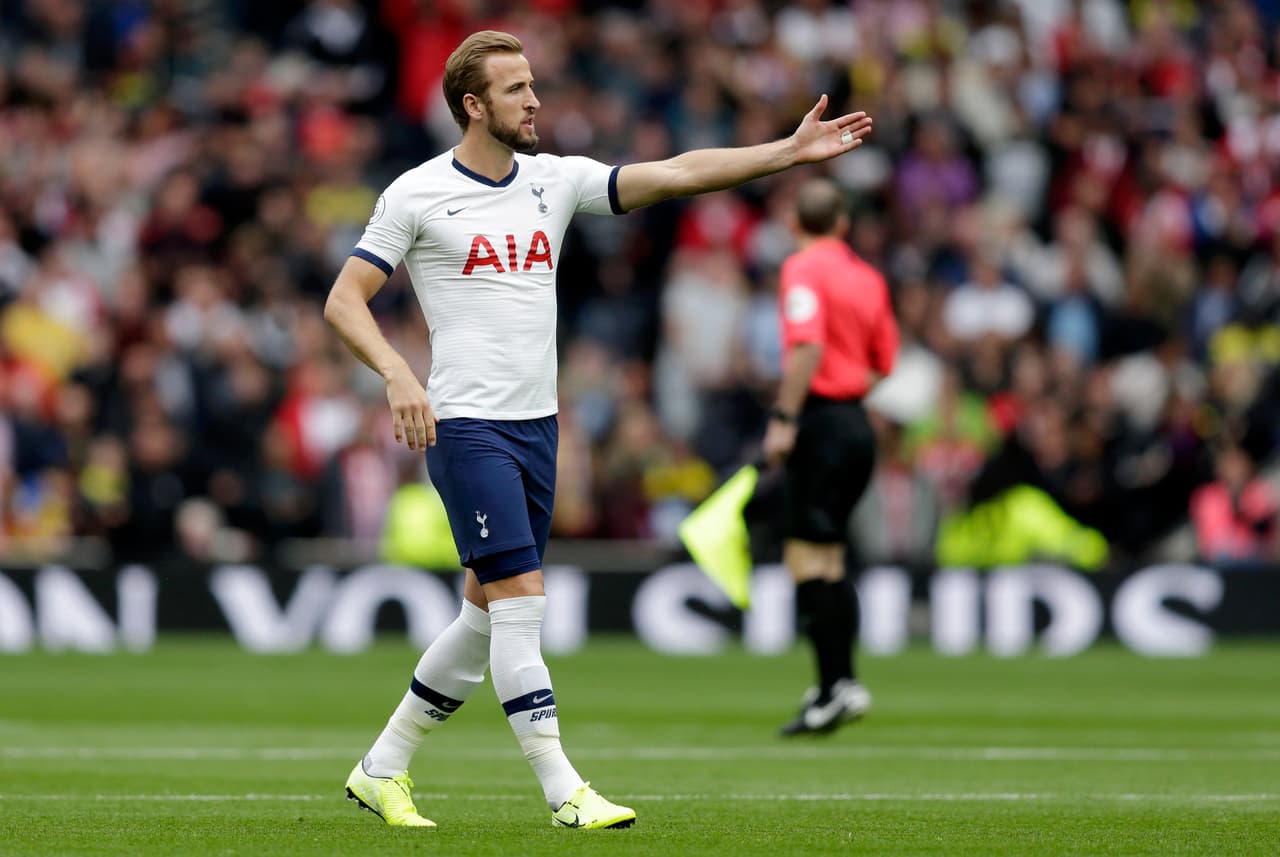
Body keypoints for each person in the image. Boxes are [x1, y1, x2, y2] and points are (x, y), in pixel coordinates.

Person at [323, 30, 874, 829]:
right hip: (467, 426)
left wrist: (784, 154)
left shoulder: (555, 181)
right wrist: (400, 373)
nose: (535, 100)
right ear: (473, 106)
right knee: (522, 606)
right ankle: (564, 789)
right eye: (516, 90)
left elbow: (681, 173)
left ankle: (383, 767)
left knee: (484, 618)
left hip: (538, 428)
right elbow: (344, 300)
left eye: (533, 84)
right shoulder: (416, 194)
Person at [761, 178, 898, 736]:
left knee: (806, 559)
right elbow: (884, 362)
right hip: (857, 425)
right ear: (843, 224)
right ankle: (837, 684)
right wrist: (847, 396)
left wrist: (787, 418)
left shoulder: (801, 269)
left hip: (818, 422)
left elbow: (808, 345)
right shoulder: (867, 277)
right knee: (831, 558)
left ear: (795, 223)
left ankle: (836, 685)